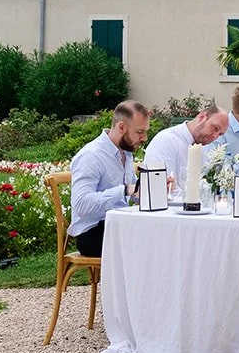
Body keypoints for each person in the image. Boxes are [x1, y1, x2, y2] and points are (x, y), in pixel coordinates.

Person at [68, 100, 151, 257]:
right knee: (148, 243)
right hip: (92, 233)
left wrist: (154, 189)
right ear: (121, 127)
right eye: (140, 132)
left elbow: (134, 194)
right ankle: (122, 282)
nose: (144, 138)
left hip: (118, 224)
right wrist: (124, 190)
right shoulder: (91, 156)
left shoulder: (126, 153)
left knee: (160, 233)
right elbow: (81, 205)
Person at [143, 104, 229, 198]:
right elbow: (163, 188)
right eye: (215, 128)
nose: (215, 136)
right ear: (202, 117)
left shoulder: (205, 150)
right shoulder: (166, 141)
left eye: (220, 134)